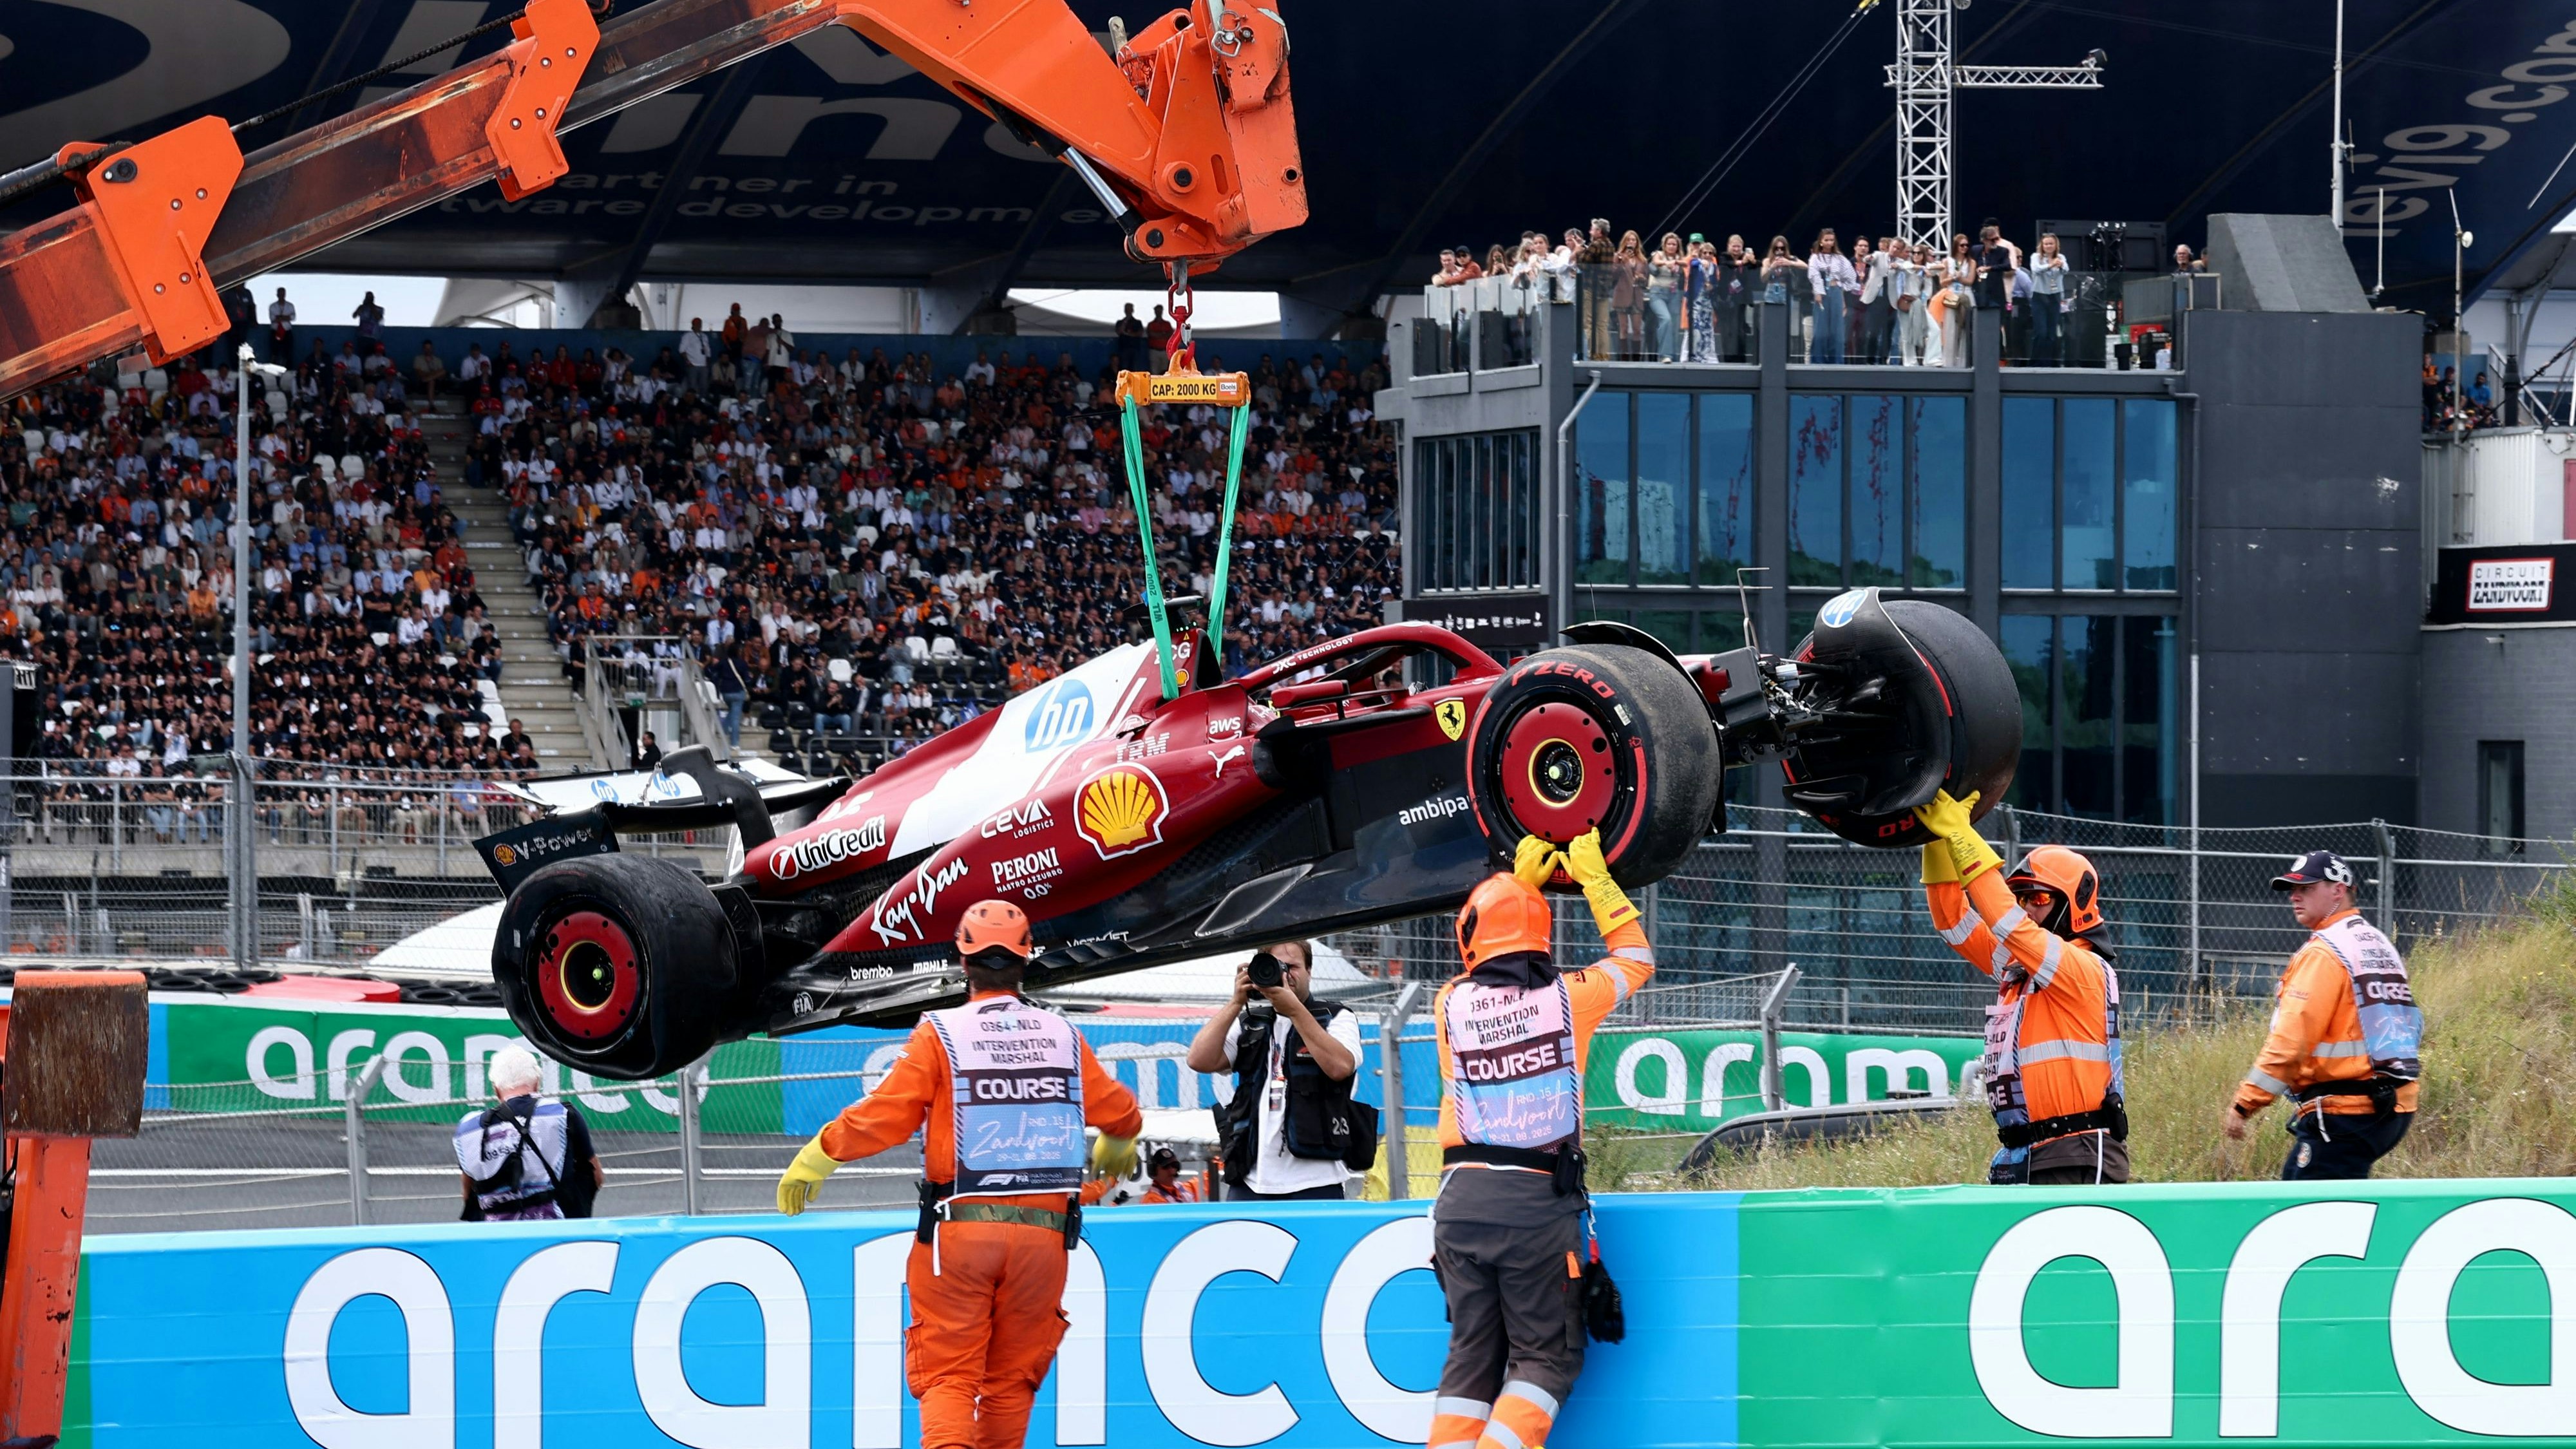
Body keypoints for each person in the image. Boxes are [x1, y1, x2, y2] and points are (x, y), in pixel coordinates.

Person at [776, 900, 1142, 1449]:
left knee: (950, 1377)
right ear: (1027, 960)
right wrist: (1120, 1137)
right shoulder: (1062, 1035)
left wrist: (821, 1154)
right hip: (1045, 1240)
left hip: (961, 1230)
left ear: (961, 959)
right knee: (1011, 1384)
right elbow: (1120, 1112)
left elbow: (887, 1115)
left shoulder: (942, 1033)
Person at [1428, 829, 1653, 1449]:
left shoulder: (1449, 1004)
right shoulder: (1569, 999)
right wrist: (1596, 882)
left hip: (1457, 1207)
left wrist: (1517, 888)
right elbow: (1636, 958)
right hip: (1534, 1208)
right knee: (1545, 1360)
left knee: (1470, 1363)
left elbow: (1489, 958)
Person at [1913, 791, 2129, 1185]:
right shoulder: (2022, 968)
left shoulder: (2082, 969)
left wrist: (1962, 835)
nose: (2028, 908)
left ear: (2073, 904)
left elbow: (2004, 919)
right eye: (2022, 898)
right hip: (2025, 1154)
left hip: (2075, 1154)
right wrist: (1936, 839)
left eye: (2040, 898)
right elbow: (1952, 922)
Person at [2223, 851, 2424, 1179]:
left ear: (2339, 890)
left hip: (2345, 1111)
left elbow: (2292, 1041)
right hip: (2393, 1106)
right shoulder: (2376, 943)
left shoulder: (2324, 952)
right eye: (2292, 889)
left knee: (2302, 1212)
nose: (2294, 896)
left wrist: (2245, 1103)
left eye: (2307, 888)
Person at [1186, 938, 1362, 1200]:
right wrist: (1236, 1002)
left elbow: (1340, 1067)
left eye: (1292, 967)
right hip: (1249, 1178)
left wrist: (1294, 1010)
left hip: (1316, 1180)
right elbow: (1198, 1060)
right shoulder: (1251, 1020)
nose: (1285, 975)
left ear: (1310, 972)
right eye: (1277, 966)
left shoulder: (1335, 1016)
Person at [455, 1046, 602, 1221]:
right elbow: (596, 1176)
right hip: (557, 1229)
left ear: (496, 1089)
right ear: (537, 1082)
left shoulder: (467, 1129)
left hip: (494, 1235)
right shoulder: (562, 1114)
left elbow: (467, 1192)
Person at [2029, 233, 2069, 366]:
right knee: (2041, 332)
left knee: (2052, 333)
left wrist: (2060, 265)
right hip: (2039, 295)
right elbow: (2036, 269)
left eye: (2051, 244)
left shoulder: (2061, 257)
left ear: (2056, 245)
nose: (2048, 246)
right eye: (2046, 244)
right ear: (2042, 245)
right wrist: (2050, 265)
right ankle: (2035, 362)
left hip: (2055, 296)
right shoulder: (2036, 257)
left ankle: (2049, 363)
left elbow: (2066, 270)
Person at [1139, 1146, 1204, 1204]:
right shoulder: (1152, 1199)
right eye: (1166, 1167)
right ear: (1154, 1170)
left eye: (1174, 1165)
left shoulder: (1185, 1188)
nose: (1172, 1170)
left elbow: (1206, 1179)